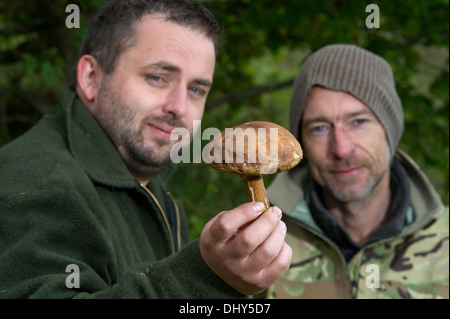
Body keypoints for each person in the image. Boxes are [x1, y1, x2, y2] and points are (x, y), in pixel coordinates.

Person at [0, 0, 291, 298]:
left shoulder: (147, 183)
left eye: (196, 89)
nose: (178, 107)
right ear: (90, 78)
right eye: (157, 77)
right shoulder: (40, 183)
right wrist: (205, 279)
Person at [265, 44, 449, 299]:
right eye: (319, 128)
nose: (341, 149)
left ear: (390, 130)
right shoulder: (260, 243)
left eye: (359, 122)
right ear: (302, 143)